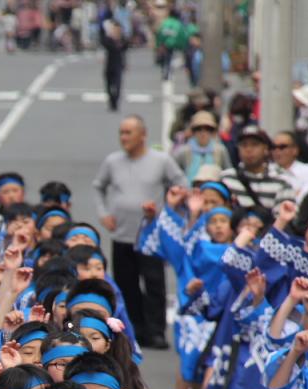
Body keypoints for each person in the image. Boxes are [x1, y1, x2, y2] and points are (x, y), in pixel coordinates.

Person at [93, 114, 187, 349]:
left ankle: (156, 331)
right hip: (122, 235)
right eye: (121, 133)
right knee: (127, 285)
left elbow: (181, 185)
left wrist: (168, 213)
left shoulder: (161, 160)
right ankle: (135, 329)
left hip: (151, 238)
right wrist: (104, 214)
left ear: (143, 135)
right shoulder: (113, 161)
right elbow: (98, 187)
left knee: (154, 284)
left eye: (129, 132)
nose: (124, 137)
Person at [219, 125, 294, 210]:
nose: (249, 150)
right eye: (244, 145)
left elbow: (285, 217)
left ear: (265, 149)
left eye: (254, 145)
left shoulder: (282, 180)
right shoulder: (226, 178)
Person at [172, 111, 231, 182]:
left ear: (212, 131)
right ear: (193, 131)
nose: (203, 133)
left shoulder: (220, 150)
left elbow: (228, 173)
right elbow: (175, 175)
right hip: (189, 190)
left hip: (214, 190)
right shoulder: (183, 151)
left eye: (207, 129)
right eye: (199, 129)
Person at [271, 130, 308, 203]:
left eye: (282, 147)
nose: (277, 151)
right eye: (274, 147)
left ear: (295, 150)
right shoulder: (266, 170)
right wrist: (294, 193)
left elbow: (304, 200)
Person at [100, 19, 128, 112]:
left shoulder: (122, 39)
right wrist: (111, 37)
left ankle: (116, 102)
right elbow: (104, 44)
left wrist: (119, 39)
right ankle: (111, 101)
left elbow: (125, 47)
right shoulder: (108, 39)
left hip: (118, 65)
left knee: (118, 84)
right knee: (108, 85)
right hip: (109, 64)